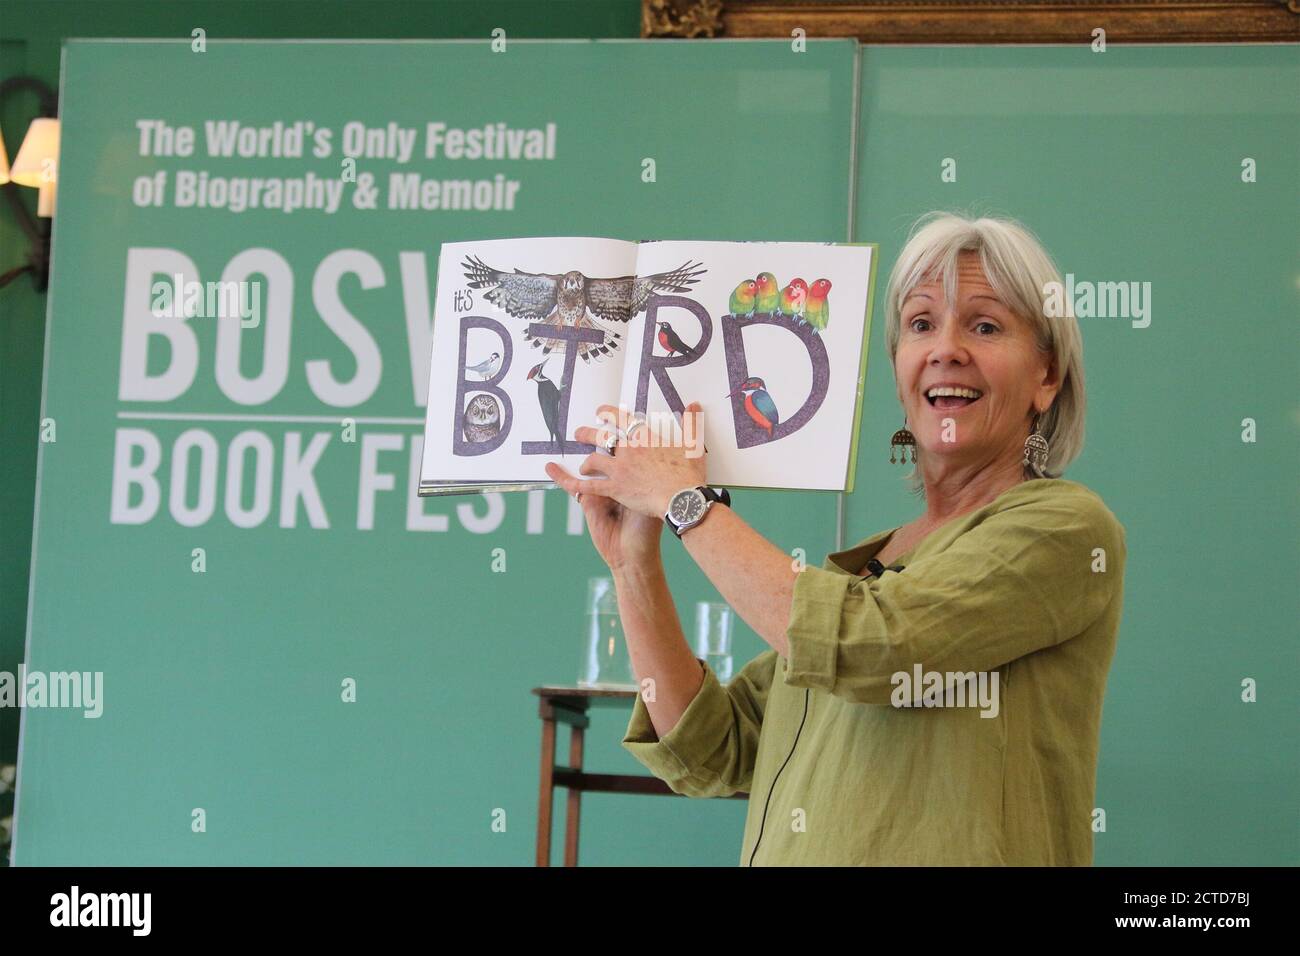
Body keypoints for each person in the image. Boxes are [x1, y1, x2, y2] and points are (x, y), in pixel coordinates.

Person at [545, 211, 1126, 866]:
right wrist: (633, 564)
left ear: (1047, 377)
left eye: (985, 326)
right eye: (921, 324)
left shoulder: (1066, 528)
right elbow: (708, 751)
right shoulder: (867, 572)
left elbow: (872, 648)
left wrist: (688, 504)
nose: (945, 349)